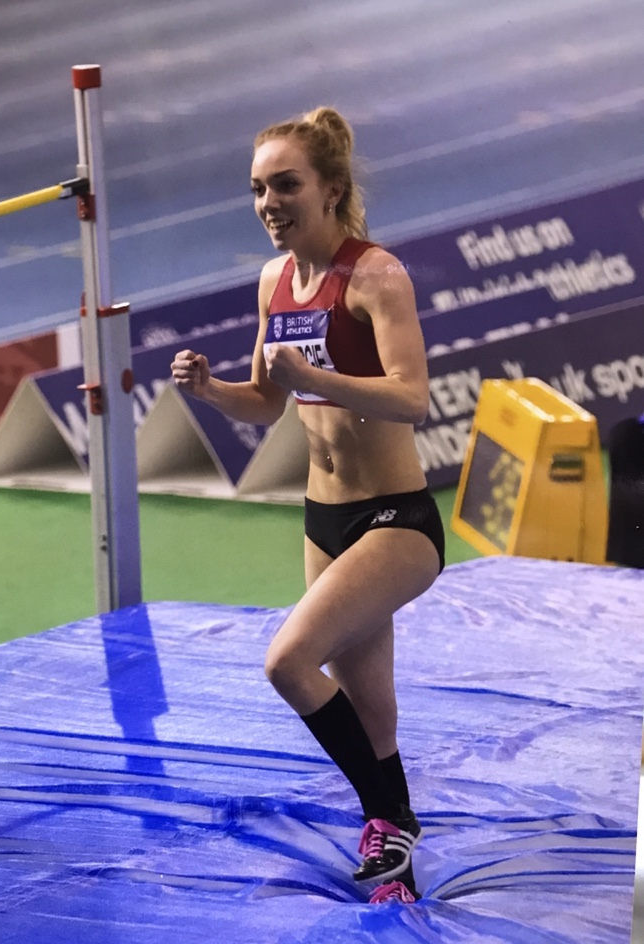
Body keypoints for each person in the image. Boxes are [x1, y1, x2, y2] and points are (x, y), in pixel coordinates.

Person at [171, 106, 444, 903]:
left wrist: (316, 378)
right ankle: (393, 862)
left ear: (330, 188)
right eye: (258, 189)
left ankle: (391, 816)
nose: (269, 204)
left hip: (396, 519)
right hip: (324, 520)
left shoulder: (376, 276)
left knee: (288, 661)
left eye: (285, 185)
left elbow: (414, 398)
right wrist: (210, 390)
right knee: (372, 710)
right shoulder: (273, 281)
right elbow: (266, 402)